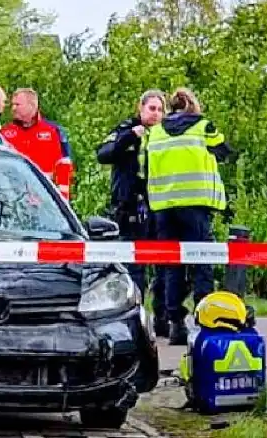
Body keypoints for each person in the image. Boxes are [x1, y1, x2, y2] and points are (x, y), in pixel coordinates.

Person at [142, 87, 233, 346]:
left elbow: (147, 167)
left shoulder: (155, 132)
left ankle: (176, 324)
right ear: (194, 105)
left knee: (172, 266)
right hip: (196, 204)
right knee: (202, 262)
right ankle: (205, 318)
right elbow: (224, 151)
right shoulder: (203, 127)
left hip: (163, 208)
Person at [97, 89, 168, 336]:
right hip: (128, 206)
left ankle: (163, 319)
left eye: (160, 110)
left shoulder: (167, 134)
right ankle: (135, 320)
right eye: (151, 108)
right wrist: (129, 137)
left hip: (158, 205)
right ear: (141, 109)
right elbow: (103, 154)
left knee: (163, 265)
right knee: (134, 265)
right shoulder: (128, 128)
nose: (155, 114)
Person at [0, 88, 73, 176]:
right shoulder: (4, 133)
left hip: (44, 187)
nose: (13, 108)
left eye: (17, 104)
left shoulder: (53, 131)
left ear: (32, 105)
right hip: (14, 187)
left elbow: (65, 164)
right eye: (13, 105)